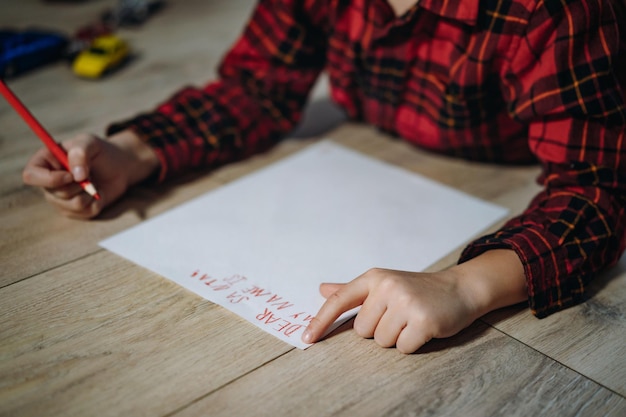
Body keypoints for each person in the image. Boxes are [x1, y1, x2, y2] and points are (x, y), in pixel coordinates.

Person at [22, 0, 626, 353]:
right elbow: (259, 84)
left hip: (516, 151)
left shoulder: (555, 13)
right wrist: (135, 151)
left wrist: (467, 288)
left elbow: (599, 185)